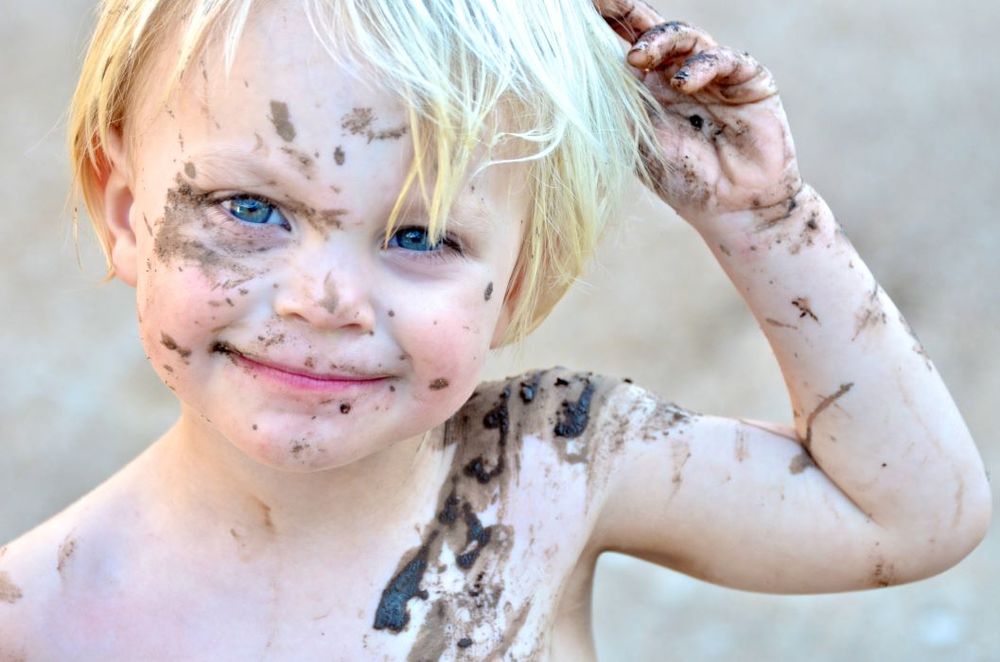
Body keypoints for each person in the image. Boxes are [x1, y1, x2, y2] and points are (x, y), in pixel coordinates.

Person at [0, 0, 990, 658]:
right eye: (251, 208)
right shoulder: (40, 617)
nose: (323, 298)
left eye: (420, 233)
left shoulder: (545, 467)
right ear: (127, 212)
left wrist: (762, 220)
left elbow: (908, 515)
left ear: (518, 280)